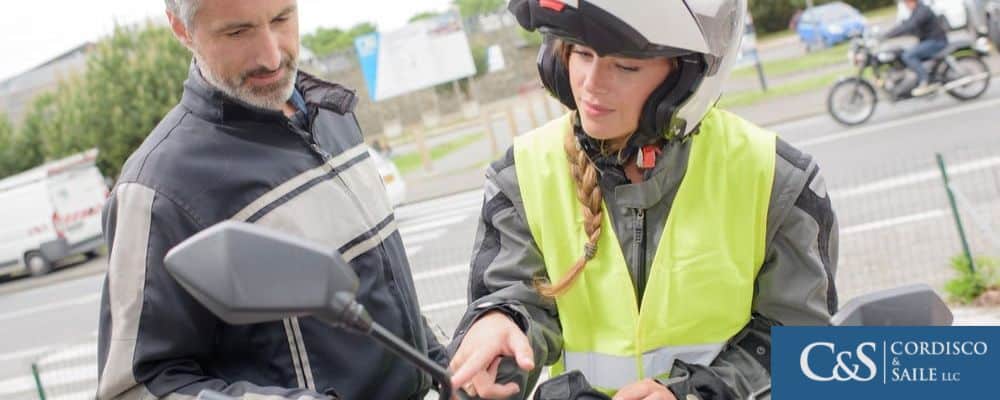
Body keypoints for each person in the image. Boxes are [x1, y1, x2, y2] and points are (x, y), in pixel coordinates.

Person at [447, 1, 839, 399]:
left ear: (686, 78)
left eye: (626, 66)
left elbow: (802, 345)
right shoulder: (522, 173)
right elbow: (515, 296)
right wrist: (497, 326)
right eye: (581, 53)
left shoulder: (776, 177)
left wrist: (693, 394)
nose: (591, 84)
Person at [95, 1, 447, 399]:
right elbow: (135, 388)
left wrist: (446, 365)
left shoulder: (332, 115)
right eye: (237, 32)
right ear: (181, 29)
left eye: (282, 18)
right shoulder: (158, 188)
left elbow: (380, 291)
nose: (271, 54)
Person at [884, 0, 950, 96]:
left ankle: (924, 80)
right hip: (928, 41)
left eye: (906, 3)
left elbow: (910, 25)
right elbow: (905, 25)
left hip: (936, 41)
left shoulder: (922, 10)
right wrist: (888, 34)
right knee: (902, 52)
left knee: (908, 55)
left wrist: (887, 36)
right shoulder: (917, 10)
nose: (906, 6)